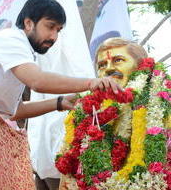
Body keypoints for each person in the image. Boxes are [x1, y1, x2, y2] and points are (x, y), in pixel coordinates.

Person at [0, 0, 121, 190]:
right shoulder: (10, 39)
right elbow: (38, 81)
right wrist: (91, 82)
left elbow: (15, 111)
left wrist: (58, 103)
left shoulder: (22, 54)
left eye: (58, 30)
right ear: (28, 23)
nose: (54, 37)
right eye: (50, 27)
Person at [59, 37, 149, 189]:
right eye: (102, 65)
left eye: (118, 60)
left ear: (141, 66)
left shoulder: (160, 102)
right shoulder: (86, 110)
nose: (108, 69)